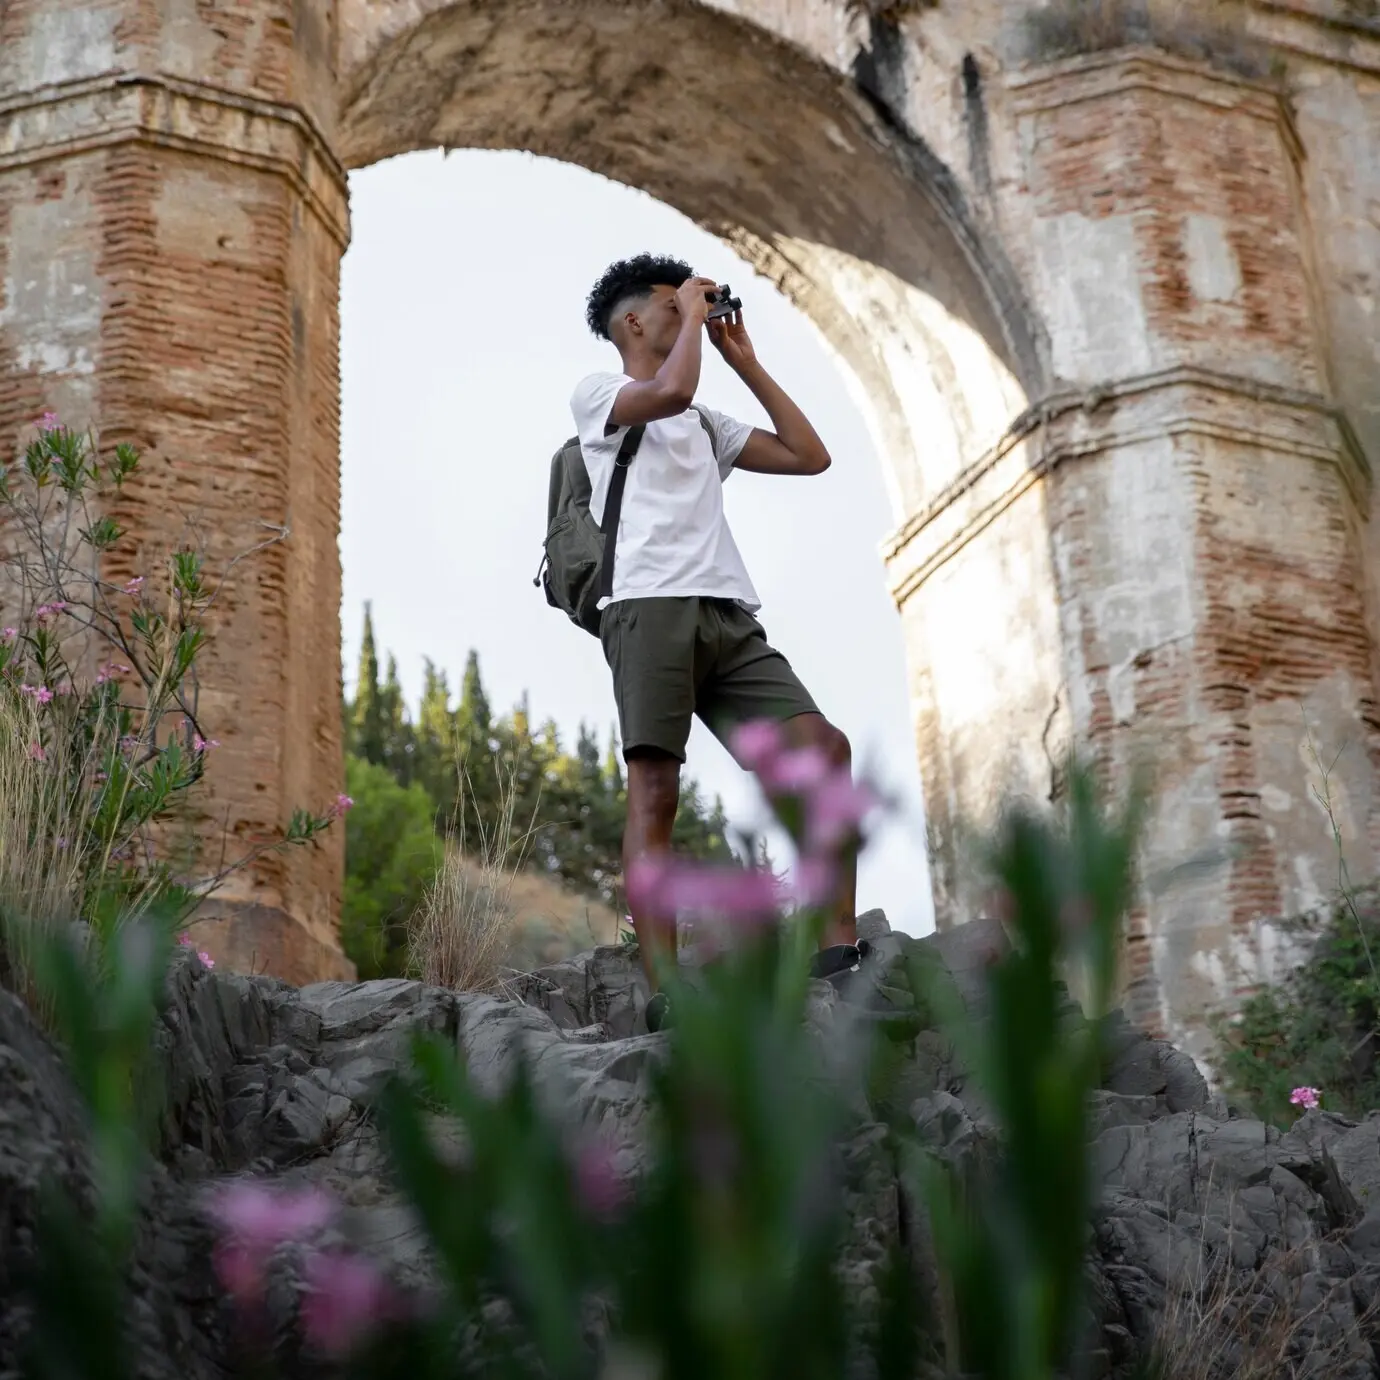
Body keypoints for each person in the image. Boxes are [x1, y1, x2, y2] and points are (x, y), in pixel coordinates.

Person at [571, 254, 868, 1032]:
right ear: (634, 322)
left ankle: (836, 943)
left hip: (726, 612)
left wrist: (748, 362)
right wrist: (698, 323)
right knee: (656, 794)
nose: (690, 309)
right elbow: (669, 387)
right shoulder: (599, 395)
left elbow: (810, 456)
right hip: (647, 608)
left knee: (823, 749)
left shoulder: (705, 421)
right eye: (674, 304)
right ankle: (665, 986)